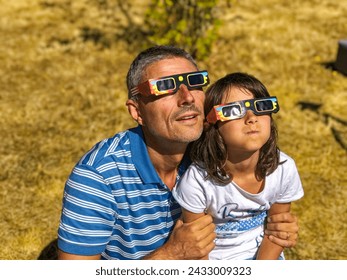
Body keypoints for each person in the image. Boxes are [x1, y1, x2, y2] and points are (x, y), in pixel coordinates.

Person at [57, 46, 300, 260]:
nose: (186, 97)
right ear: (137, 111)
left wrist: (277, 226)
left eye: (194, 82)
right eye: (164, 87)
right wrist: (171, 254)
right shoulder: (98, 177)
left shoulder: (216, 147)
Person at [173, 72, 304, 260]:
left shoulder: (283, 168)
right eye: (234, 110)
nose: (251, 117)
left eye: (261, 106)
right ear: (211, 124)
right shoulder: (197, 181)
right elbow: (196, 249)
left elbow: (278, 231)